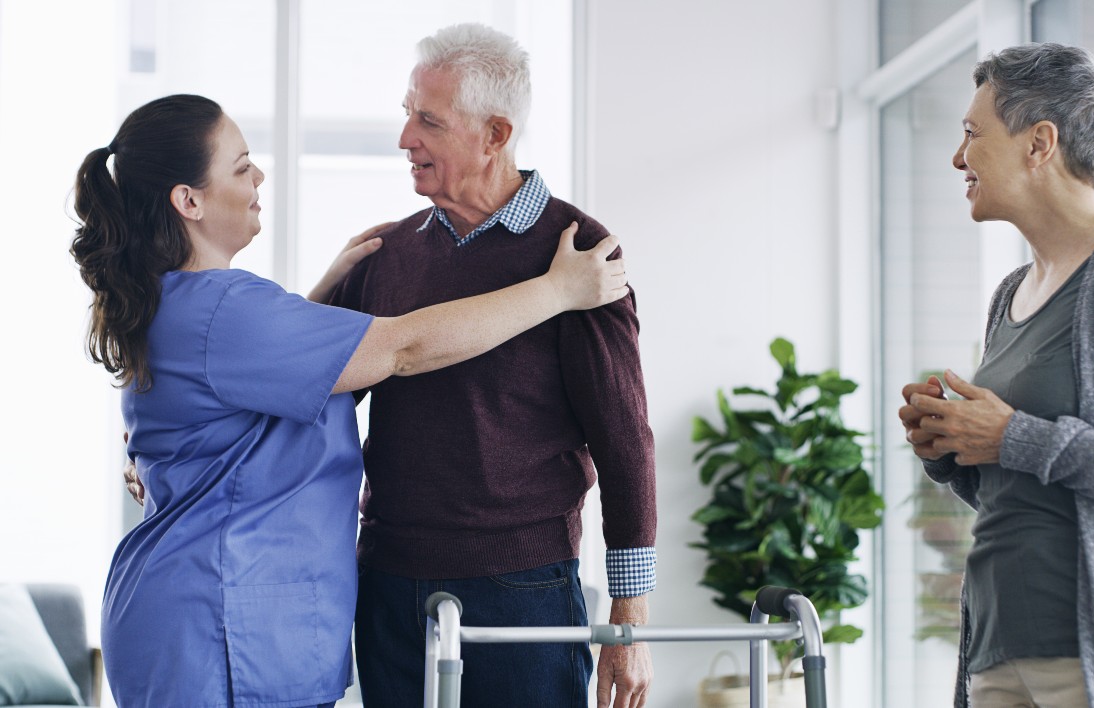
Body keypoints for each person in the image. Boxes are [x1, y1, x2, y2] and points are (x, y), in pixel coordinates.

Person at [72, 93, 628, 708]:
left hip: (200, 614)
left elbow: (241, 393)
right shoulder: (227, 310)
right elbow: (405, 347)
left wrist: (315, 300)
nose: (258, 176)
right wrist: (556, 290)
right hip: (218, 626)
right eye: (240, 165)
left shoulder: (181, 302)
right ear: (188, 200)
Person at [324, 23, 656, 708]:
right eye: (406, 113)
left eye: (429, 121)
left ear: (495, 135)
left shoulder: (580, 253)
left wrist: (630, 621)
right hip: (386, 580)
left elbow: (624, 445)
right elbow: (312, 398)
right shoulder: (383, 255)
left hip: (522, 587)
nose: (404, 138)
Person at [897, 43, 1094, 707]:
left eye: (973, 135)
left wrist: (1012, 437)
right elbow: (1030, 495)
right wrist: (954, 450)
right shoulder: (1009, 292)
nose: (958, 157)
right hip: (998, 647)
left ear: (1039, 143)